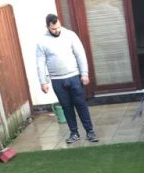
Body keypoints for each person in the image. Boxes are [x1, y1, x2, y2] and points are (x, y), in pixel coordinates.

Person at [36, 14, 99, 144]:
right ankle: (74, 133)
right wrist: (43, 82)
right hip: (57, 81)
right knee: (66, 107)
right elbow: (40, 63)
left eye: (58, 27)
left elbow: (80, 55)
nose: (57, 30)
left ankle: (90, 132)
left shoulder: (70, 35)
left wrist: (84, 73)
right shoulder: (42, 41)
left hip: (74, 77)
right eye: (53, 29)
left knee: (81, 105)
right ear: (47, 27)